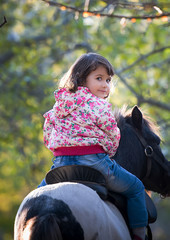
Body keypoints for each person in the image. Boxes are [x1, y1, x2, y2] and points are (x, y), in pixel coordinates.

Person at [38, 53, 148, 240]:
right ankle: (139, 235)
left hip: (61, 164)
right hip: (94, 162)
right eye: (99, 78)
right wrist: (110, 152)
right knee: (136, 188)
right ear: (81, 79)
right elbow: (113, 134)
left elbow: (47, 132)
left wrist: (60, 148)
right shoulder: (99, 105)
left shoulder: (59, 105)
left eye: (108, 80)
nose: (105, 85)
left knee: (38, 196)